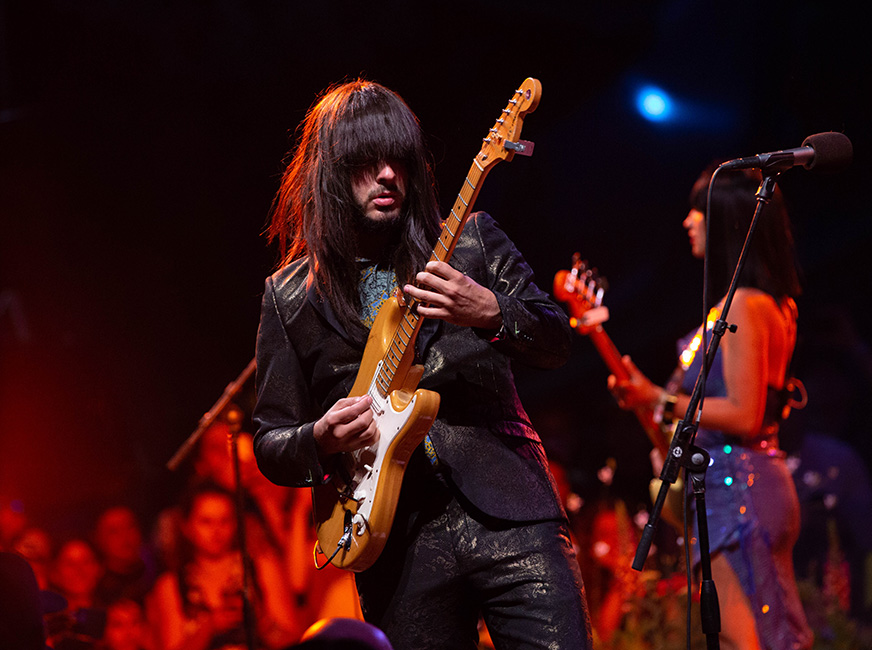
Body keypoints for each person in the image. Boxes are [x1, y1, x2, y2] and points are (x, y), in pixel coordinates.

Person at [252, 79, 591, 649]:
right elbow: (270, 440)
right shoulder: (290, 295)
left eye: (398, 160)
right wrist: (319, 437)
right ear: (331, 172)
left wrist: (491, 311)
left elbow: (556, 341)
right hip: (396, 542)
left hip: (511, 516)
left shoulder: (471, 243)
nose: (387, 174)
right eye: (367, 161)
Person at [609, 166, 813, 650]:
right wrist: (653, 399)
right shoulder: (758, 303)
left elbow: (744, 412)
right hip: (740, 482)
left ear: (726, 222)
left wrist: (660, 399)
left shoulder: (745, 304)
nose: (687, 222)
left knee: (752, 642)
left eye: (698, 211)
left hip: (737, 487)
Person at [145, 483, 299, 650]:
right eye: (206, 522)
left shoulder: (261, 567)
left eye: (224, 521)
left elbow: (292, 638)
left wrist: (259, 619)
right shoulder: (171, 585)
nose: (216, 531)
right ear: (186, 526)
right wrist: (210, 627)